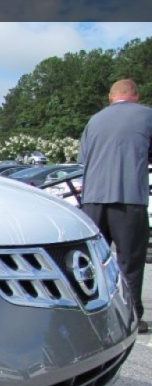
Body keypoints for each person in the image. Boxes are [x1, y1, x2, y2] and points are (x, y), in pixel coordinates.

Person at [79, 78, 152, 333]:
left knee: (92, 262)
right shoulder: (147, 116)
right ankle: (131, 315)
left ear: (111, 98)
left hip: (93, 200)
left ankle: (88, 314)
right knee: (129, 262)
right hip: (129, 198)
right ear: (136, 95)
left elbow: (84, 159)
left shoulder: (94, 120)